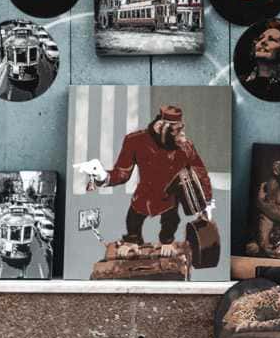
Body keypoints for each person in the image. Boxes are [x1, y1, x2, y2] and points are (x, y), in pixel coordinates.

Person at [79, 103, 214, 246]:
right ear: (159, 128)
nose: (182, 135)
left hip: (170, 202)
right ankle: (133, 239)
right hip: (143, 199)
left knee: (171, 221)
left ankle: (167, 240)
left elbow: (201, 174)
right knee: (133, 226)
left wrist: (206, 205)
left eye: (182, 129)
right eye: (176, 131)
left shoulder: (186, 147)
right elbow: (122, 173)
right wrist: (102, 176)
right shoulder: (135, 141)